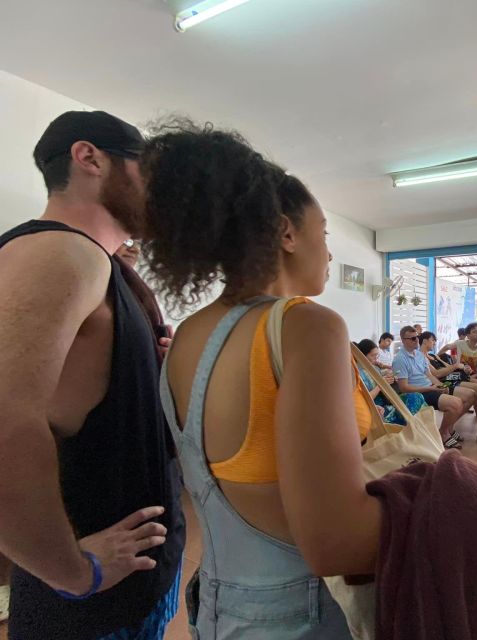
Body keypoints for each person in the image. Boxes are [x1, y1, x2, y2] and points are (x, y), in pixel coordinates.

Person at [145, 122, 366, 637]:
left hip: (218, 602)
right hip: (304, 609)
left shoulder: (189, 335)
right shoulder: (305, 325)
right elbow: (337, 541)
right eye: (325, 232)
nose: (329, 252)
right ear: (287, 232)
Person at [0, 111, 184, 639]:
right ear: (90, 158)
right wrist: (76, 573)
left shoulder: (101, 265)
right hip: (90, 612)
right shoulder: (59, 252)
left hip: (132, 592)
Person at [394, 325, 469, 448]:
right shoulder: (400, 360)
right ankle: (444, 433)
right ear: (403, 340)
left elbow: (429, 375)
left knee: (466, 397)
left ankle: (447, 430)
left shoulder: (419, 355)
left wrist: (439, 385)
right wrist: (431, 388)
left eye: (417, 337)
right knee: (456, 403)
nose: (416, 340)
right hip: (418, 393)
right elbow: (404, 388)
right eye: (412, 338)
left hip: (430, 387)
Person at [419, 331, 477, 444]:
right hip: (445, 381)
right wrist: (456, 365)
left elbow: (449, 367)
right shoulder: (421, 357)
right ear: (425, 341)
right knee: (476, 391)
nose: (435, 343)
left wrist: (462, 368)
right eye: (433, 340)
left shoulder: (433, 355)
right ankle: (450, 429)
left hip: (451, 378)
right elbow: (437, 374)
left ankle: (451, 428)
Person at [356, 339, 426, 426]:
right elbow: (363, 400)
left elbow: (384, 388)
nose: (375, 359)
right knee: (407, 410)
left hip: (387, 401)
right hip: (375, 408)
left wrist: (390, 380)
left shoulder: (375, 368)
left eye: (376, 355)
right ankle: (406, 426)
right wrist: (381, 384)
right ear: (362, 355)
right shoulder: (357, 373)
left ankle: (409, 425)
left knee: (416, 396)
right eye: (373, 355)